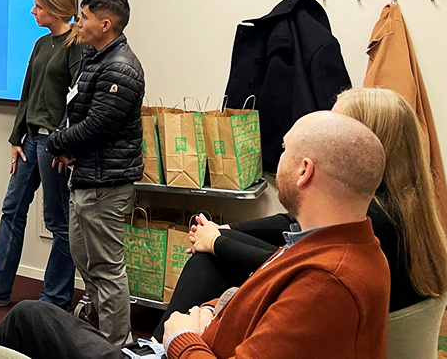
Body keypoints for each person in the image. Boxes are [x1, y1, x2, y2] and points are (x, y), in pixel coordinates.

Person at [0, 110, 391, 359]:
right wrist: (219, 309)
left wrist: (182, 337)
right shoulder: (341, 244)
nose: (277, 159)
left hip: (185, 350)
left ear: (304, 171)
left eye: (283, 151)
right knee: (36, 319)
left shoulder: (328, 282)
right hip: (194, 341)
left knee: (28, 319)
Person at [152, 86, 447, 339]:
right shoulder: (400, 204)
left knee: (208, 264)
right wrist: (227, 232)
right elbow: (291, 232)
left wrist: (217, 242)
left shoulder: (372, 220)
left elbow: (296, 263)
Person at [0, 0, 86, 310]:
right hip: (31, 141)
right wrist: (16, 137)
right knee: (11, 211)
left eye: (38, 6)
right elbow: (27, 94)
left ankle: (53, 302)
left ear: (54, 10)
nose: (33, 11)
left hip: (54, 145)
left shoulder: (76, 46)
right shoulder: (42, 44)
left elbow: (79, 102)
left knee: (58, 223)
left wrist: (65, 143)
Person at [45, 0, 144, 345]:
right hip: (87, 176)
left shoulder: (121, 67)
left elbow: (98, 125)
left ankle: (117, 346)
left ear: (105, 24)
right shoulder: (95, 57)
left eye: (84, 16)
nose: (78, 22)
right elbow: (77, 112)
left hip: (107, 182)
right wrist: (66, 143)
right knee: (85, 261)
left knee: (106, 268)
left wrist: (56, 143)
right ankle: (96, 337)